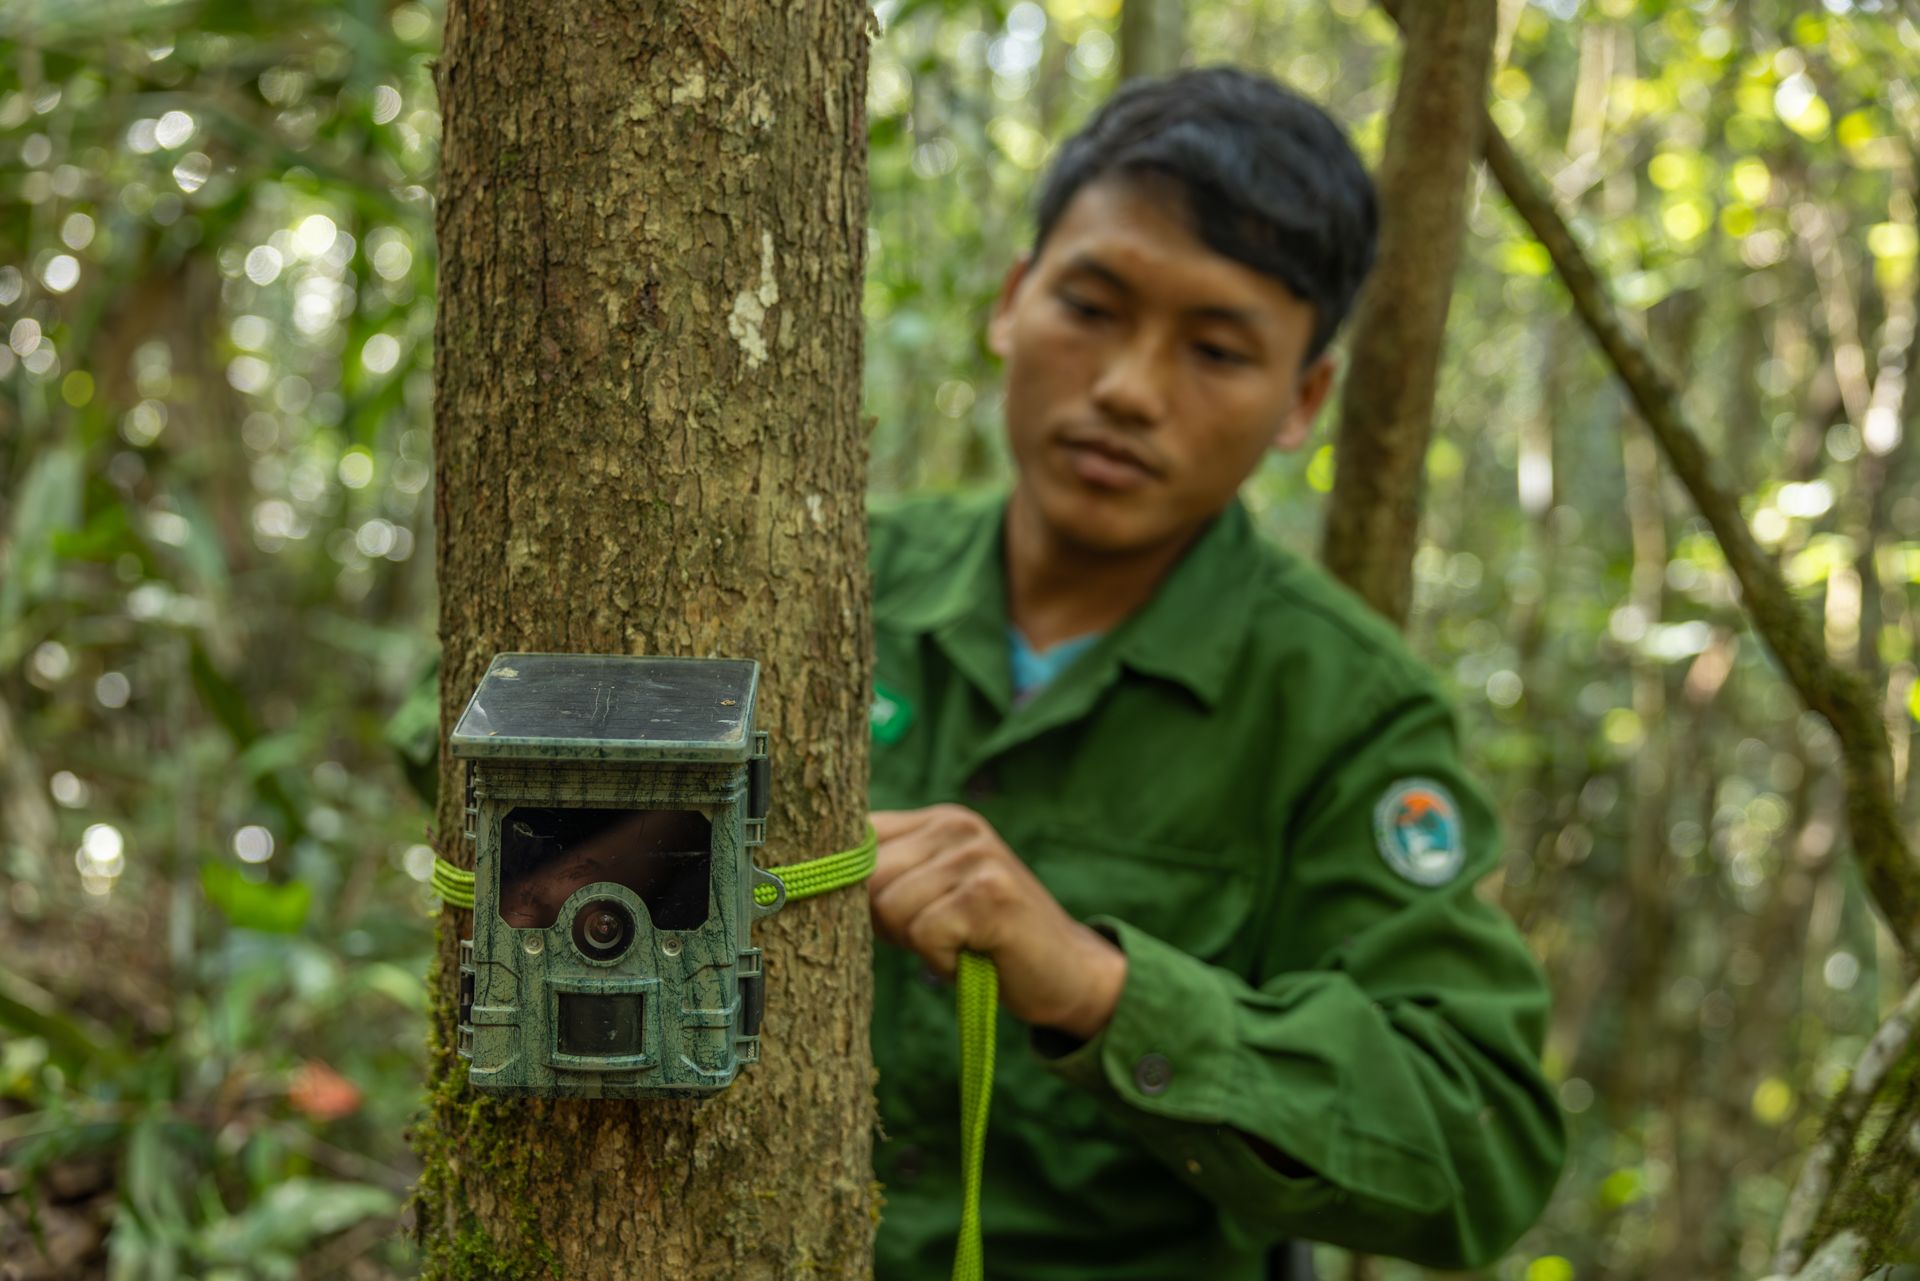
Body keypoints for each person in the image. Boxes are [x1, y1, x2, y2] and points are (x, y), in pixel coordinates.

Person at [863, 66, 1566, 1281]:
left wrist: (1095, 986)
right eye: (1090, 306)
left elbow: (1476, 1141)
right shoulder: (834, 579)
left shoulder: (1344, 714)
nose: (1130, 390)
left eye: (1218, 350)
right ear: (1012, 300)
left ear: (1302, 402)